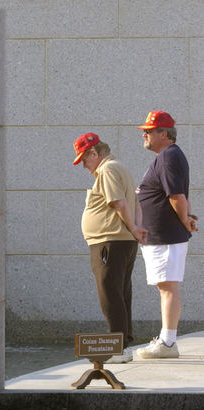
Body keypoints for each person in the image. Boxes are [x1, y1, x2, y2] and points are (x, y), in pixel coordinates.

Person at [73, 133, 147, 363]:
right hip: (120, 241)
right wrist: (136, 228)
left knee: (109, 293)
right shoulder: (119, 168)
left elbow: (120, 203)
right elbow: (136, 204)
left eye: (85, 160)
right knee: (120, 292)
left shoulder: (107, 170)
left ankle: (118, 347)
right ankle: (123, 344)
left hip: (109, 241)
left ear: (94, 153)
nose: (84, 166)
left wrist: (135, 229)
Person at [135, 111, 198, 359]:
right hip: (164, 236)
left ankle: (168, 343)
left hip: (166, 236)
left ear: (164, 134)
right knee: (166, 286)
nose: (145, 134)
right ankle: (166, 339)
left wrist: (185, 220)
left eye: (149, 131)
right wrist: (188, 218)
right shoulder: (169, 156)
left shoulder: (169, 156)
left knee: (168, 287)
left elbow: (176, 196)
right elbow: (181, 194)